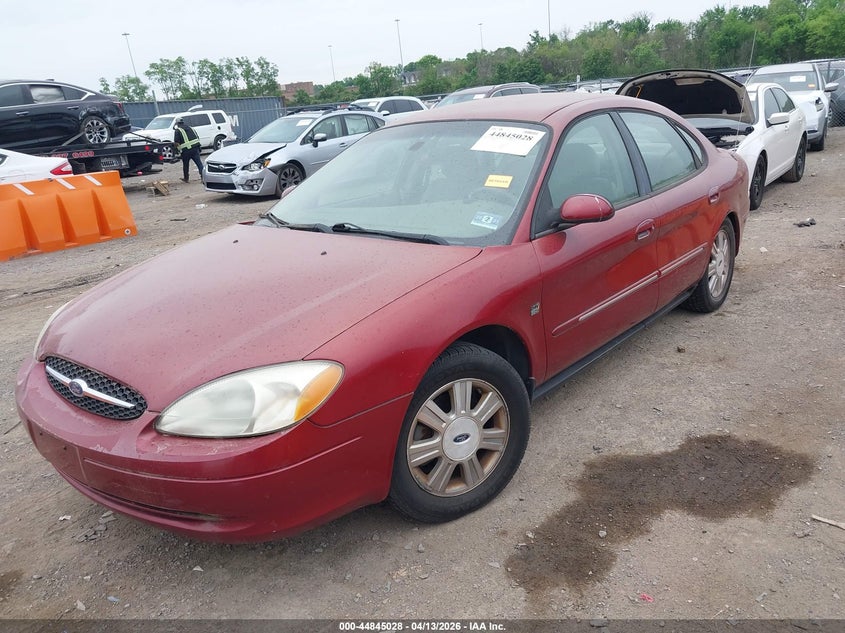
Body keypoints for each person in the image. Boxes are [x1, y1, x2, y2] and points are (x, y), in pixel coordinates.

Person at [174, 118, 203, 183]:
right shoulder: (191, 128)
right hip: (195, 148)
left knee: (186, 165)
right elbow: (197, 138)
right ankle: (203, 177)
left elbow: (177, 142)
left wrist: (176, 150)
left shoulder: (178, 130)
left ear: (177, 124)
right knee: (199, 163)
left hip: (186, 151)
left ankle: (186, 178)